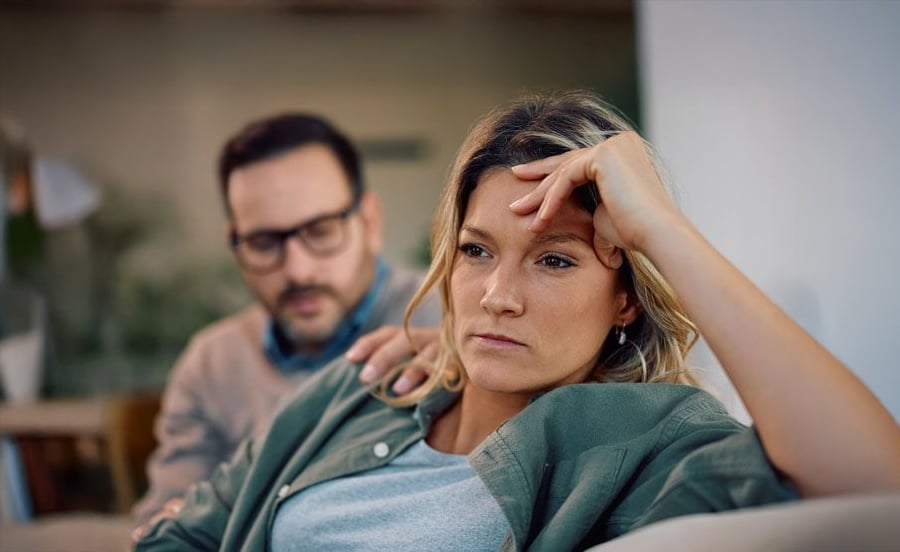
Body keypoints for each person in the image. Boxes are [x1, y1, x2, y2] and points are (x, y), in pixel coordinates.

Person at [134, 91, 900, 551]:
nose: (498, 295)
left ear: (627, 295)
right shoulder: (362, 387)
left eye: (556, 260)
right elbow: (182, 536)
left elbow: (874, 490)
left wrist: (663, 229)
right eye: (476, 250)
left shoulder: (643, 441)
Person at [132, 113, 441, 526]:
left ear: (369, 222)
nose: (298, 271)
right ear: (235, 244)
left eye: (321, 230)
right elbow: (163, 525)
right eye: (263, 243)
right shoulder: (211, 364)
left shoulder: (455, 317)